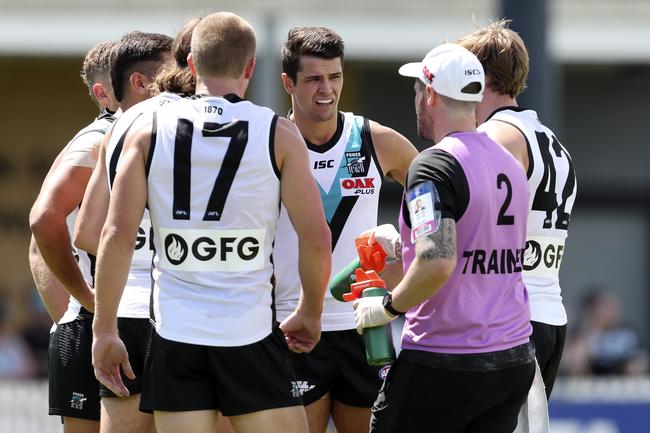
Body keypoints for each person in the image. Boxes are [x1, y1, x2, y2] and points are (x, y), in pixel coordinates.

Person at [91, 12, 331, 433]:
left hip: (176, 333)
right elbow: (315, 237)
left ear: (191, 66)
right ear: (250, 68)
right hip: (250, 331)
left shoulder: (148, 128)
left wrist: (104, 329)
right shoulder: (277, 133)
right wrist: (311, 311)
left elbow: (116, 234)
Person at [354, 43, 535, 433]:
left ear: (431, 94)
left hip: (446, 357)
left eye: (418, 89)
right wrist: (402, 253)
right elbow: (479, 247)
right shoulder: (509, 160)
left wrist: (388, 307)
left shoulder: (434, 164)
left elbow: (438, 259)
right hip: (511, 356)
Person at [274, 26, 418, 433]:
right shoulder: (269, 142)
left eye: (335, 77)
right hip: (292, 326)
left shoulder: (374, 139)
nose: (327, 89)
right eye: (314, 79)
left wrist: (408, 254)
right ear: (288, 82)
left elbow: (441, 195)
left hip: (365, 325)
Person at [457, 20, 577, 398]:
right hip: (550, 314)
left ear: (476, 77)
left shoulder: (496, 136)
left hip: (511, 320)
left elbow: (477, 230)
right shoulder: (549, 138)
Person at [74, 30, 173, 433]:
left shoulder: (116, 130)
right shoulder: (194, 123)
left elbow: (85, 233)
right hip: (187, 306)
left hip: (127, 306)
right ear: (140, 81)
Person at [28, 41, 119, 433]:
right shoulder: (95, 140)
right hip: (100, 326)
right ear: (103, 93)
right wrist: (83, 311)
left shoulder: (150, 138)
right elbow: (40, 235)